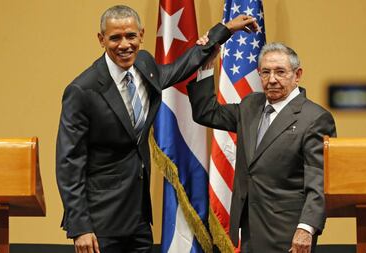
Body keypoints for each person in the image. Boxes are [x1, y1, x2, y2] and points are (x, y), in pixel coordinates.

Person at [56, 5, 258, 253]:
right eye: (115, 38)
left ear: (141, 34)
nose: (124, 45)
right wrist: (80, 227)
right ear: (101, 39)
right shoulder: (81, 91)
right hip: (100, 224)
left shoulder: (144, 63)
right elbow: (69, 163)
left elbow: (176, 70)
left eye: (130, 36)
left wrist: (223, 31)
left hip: (138, 218)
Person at [187, 42, 337, 253]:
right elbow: (206, 112)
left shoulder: (315, 118)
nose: (272, 79)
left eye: (280, 72)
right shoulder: (251, 106)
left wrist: (306, 228)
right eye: (265, 72)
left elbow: (319, 181)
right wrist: (206, 66)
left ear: (297, 75)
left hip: (288, 233)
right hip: (249, 230)